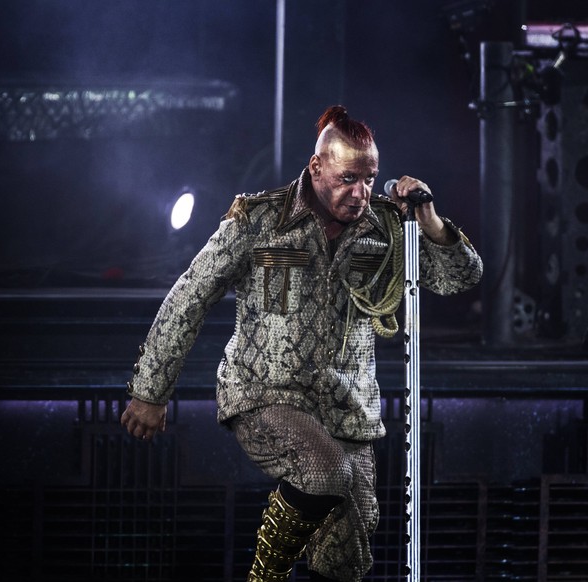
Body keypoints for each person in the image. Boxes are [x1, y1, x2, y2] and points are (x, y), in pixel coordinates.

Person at [120, 105, 483, 582]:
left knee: (346, 556)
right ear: (317, 166)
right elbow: (190, 295)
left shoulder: (389, 228)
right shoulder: (260, 220)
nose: (359, 193)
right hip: (266, 393)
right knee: (324, 470)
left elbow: (461, 277)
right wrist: (151, 390)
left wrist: (430, 220)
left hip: (347, 407)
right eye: (348, 178)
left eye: (369, 179)